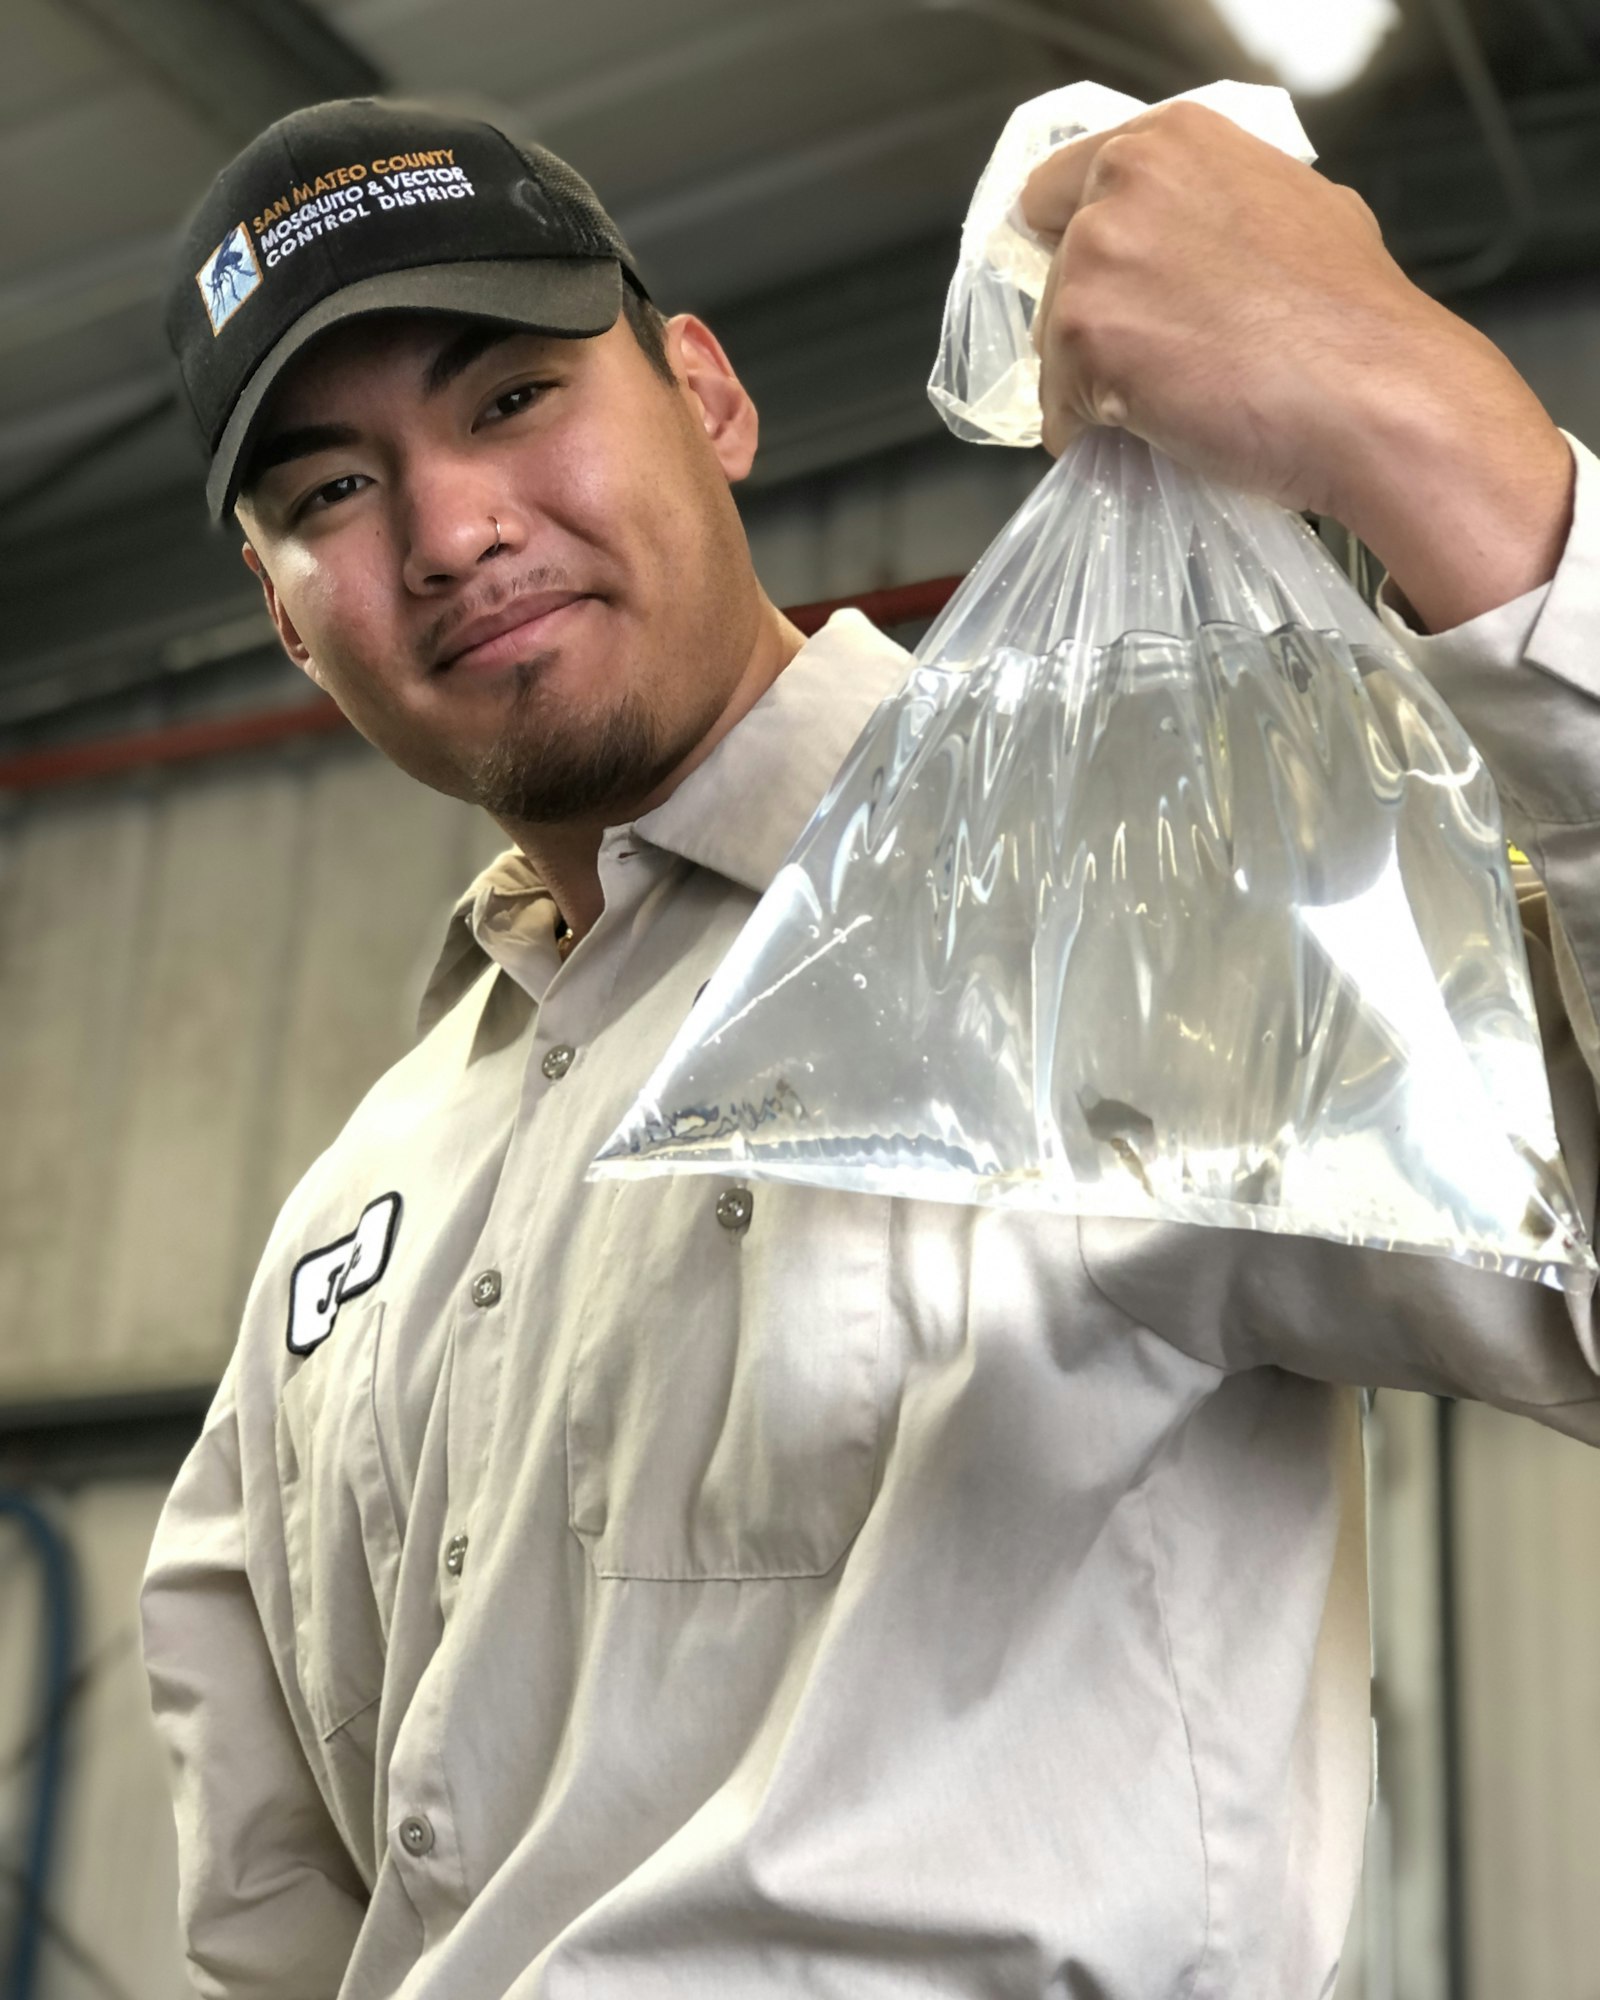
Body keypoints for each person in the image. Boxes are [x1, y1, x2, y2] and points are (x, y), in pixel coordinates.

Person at [142, 92, 1600, 1999]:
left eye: (508, 397)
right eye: (330, 490)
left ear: (708, 396)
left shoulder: (1104, 890)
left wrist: (1446, 442)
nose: (450, 529)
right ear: (282, 614)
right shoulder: (358, 1210)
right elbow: (271, 1899)